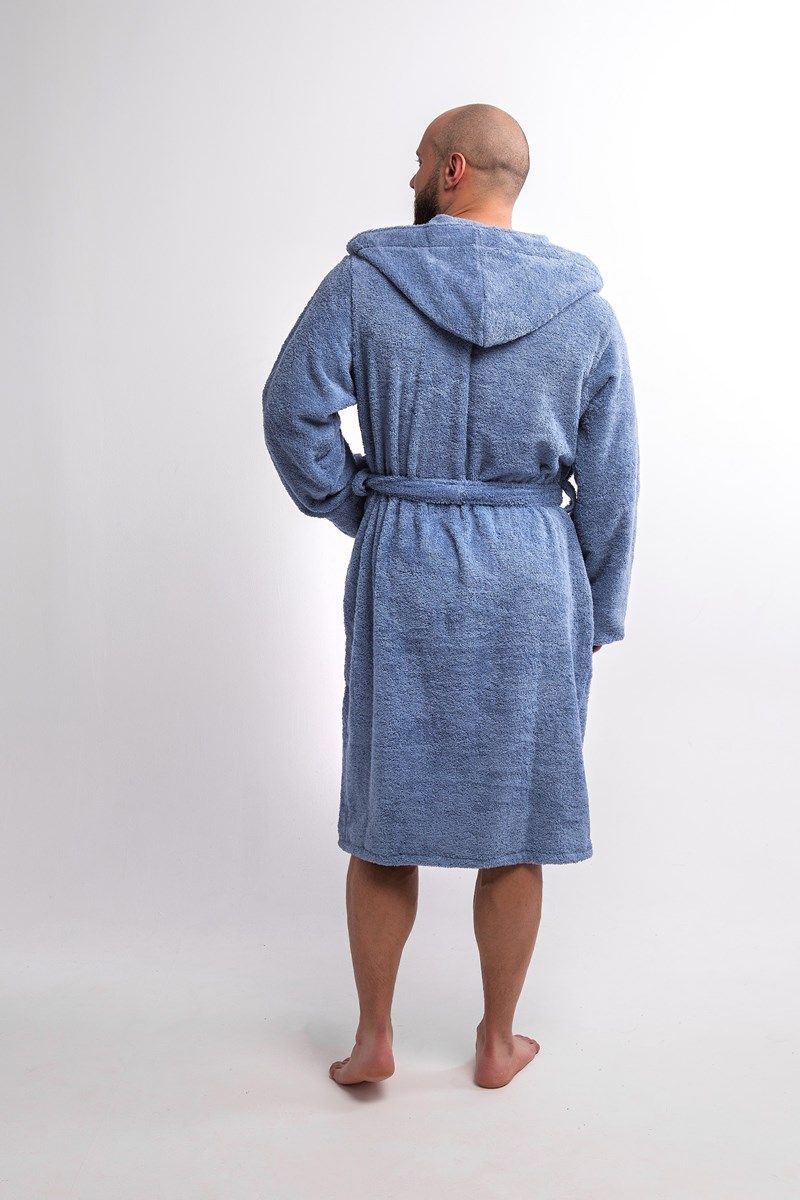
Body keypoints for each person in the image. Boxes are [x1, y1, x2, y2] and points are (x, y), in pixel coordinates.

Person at [262, 104, 640, 1089]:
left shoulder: (365, 282)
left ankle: (373, 1039)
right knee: (518, 817)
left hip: (407, 561)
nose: (412, 175)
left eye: (420, 159)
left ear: (454, 169)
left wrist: (361, 503)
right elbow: (611, 480)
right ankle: (496, 1042)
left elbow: (291, 409)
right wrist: (597, 606)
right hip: (532, 574)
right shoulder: (583, 310)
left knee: (387, 811)